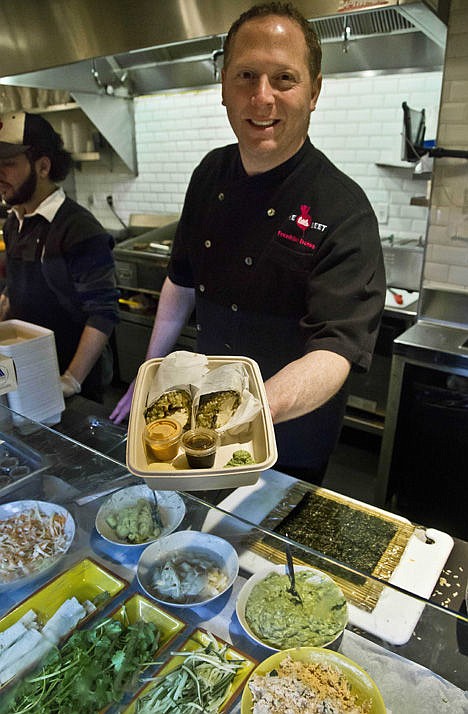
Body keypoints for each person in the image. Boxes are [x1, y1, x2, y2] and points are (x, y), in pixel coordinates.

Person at [111, 1, 386, 482]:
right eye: (246, 76)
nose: (262, 97)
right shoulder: (209, 173)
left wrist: (245, 414)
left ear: (314, 91)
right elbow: (182, 281)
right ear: (223, 89)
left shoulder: (344, 209)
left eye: (284, 78)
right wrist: (150, 373)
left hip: (289, 440)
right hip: (201, 429)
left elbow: (335, 350)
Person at [0, 111, 119, 402]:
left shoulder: (78, 228)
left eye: (7, 164)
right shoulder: (14, 223)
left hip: (70, 381)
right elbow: (13, 293)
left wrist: (71, 380)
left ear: (42, 167)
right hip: (25, 370)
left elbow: (103, 313)